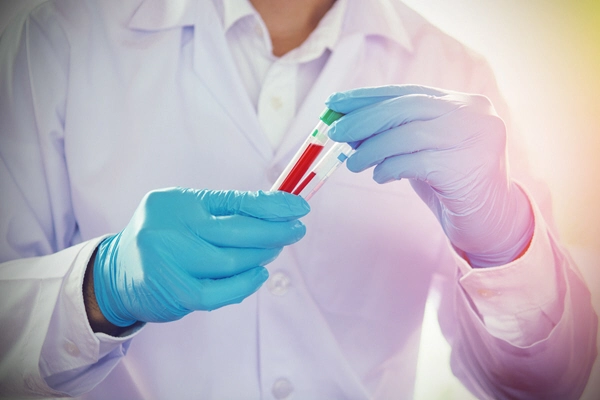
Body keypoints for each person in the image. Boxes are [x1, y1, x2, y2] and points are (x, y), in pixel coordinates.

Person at [0, 0, 597, 398]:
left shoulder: (454, 71)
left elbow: (546, 386)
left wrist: (506, 247)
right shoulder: (61, 38)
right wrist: (98, 289)